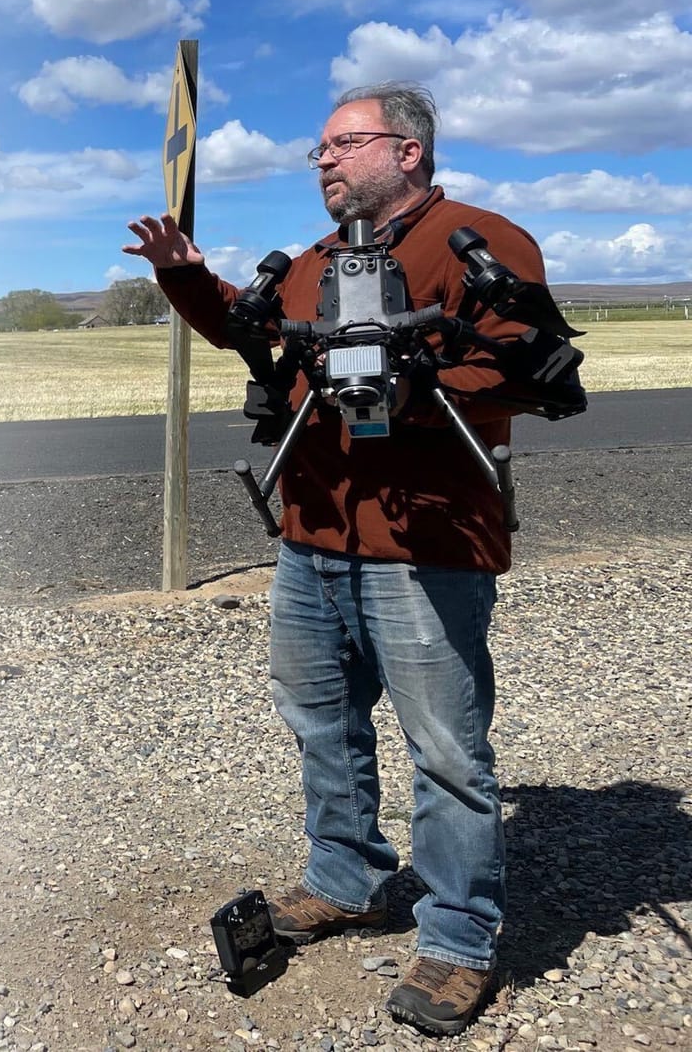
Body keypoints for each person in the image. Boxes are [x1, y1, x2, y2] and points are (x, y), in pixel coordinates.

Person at [125, 82, 549, 1036]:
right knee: (322, 724)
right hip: (311, 541)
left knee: (446, 751)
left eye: (342, 143)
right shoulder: (318, 262)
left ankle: (456, 939)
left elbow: (518, 362)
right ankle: (347, 879)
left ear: (408, 151)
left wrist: (407, 380)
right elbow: (257, 334)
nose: (322, 159)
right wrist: (188, 276)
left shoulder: (480, 241)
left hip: (427, 547)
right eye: (318, 148)